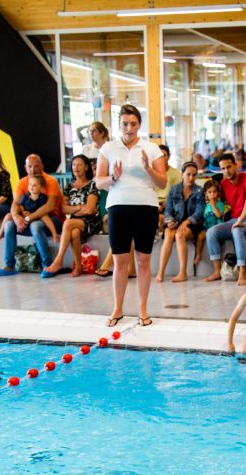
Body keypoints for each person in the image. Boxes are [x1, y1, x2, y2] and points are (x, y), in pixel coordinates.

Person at [96, 103, 166, 327]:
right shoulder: (108, 148)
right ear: (119, 124)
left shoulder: (151, 149)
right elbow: (99, 182)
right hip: (118, 207)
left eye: (133, 124)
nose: (129, 128)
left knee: (143, 260)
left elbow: (162, 182)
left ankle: (143, 310)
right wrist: (113, 178)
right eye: (125, 124)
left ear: (140, 124)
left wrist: (148, 168)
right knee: (119, 261)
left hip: (146, 207)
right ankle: (117, 309)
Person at [0, 154, 64, 277]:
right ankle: (9, 265)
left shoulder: (51, 181)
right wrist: (17, 218)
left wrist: (28, 218)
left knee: (35, 225)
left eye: (36, 166)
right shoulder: (22, 183)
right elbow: (15, 204)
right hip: (28, 220)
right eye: (29, 166)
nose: (33, 169)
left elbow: (50, 206)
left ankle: (47, 264)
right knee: (9, 225)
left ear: (42, 166)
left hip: (52, 219)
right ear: (25, 168)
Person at [43, 154, 100, 278]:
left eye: (79, 164)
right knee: (74, 232)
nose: (76, 167)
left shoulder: (93, 185)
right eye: (74, 164)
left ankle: (59, 260)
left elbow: (90, 210)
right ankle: (79, 267)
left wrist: (73, 210)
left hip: (91, 221)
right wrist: (79, 208)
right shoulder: (69, 187)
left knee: (68, 223)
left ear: (86, 167)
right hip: (76, 222)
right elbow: (63, 209)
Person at [204, 152, 246, 286]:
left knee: (237, 231)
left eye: (229, 167)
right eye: (223, 168)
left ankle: (242, 272)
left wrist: (241, 218)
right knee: (211, 232)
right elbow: (218, 203)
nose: (226, 171)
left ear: (236, 165)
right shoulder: (223, 183)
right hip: (234, 220)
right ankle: (217, 271)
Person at [155, 161, 205, 283]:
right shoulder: (174, 189)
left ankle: (183, 273)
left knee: (180, 234)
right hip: (176, 222)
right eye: (188, 174)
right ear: (182, 174)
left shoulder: (199, 191)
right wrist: (169, 220)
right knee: (168, 234)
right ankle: (160, 272)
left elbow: (199, 212)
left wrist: (186, 222)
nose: (191, 178)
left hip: (192, 224)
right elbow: (168, 210)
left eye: (194, 175)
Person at [154, 144, 182, 231]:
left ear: (169, 157)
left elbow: (177, 194)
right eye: (159, 156)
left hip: (169, 204)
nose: (162, 158)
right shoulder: (151, 173)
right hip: (153, 204)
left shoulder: (176, 173)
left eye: (164, 155)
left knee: (163, 217)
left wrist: (167, 204)